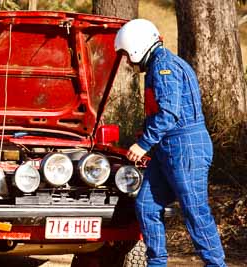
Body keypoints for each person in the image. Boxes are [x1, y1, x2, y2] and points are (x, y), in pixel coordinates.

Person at [114, 19, 226, 267]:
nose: (126, 61)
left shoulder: (164, 67)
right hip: (168, 147)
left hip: (185, 146)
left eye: (125, 54)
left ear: (136, 47)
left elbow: (169, 113)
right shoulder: (159, 64)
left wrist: (144, 144)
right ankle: (156, 263)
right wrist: (145, 138)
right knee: (145, 205)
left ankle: (215, 264)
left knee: (194, 211)